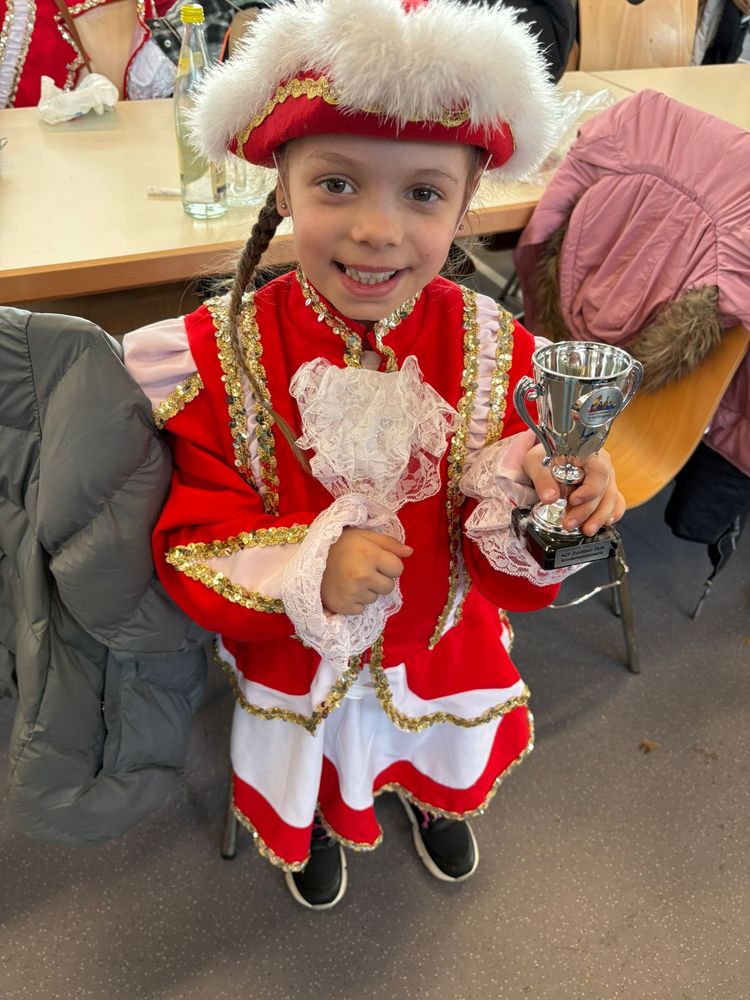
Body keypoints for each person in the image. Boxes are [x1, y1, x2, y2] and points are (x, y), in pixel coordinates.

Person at [123, 0, 624, 910]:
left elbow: (513, 497)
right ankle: (314, 815)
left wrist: (552, 492)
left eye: (423, 194)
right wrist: (310, 571)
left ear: (466, 202)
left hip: (436, 643)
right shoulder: (217, 360)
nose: (378, 230)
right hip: (297, 656)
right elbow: (192, 543)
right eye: (337, 185)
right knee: (314, 747)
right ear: (283, 186)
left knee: (428, 735)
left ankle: (427, 795)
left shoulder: (496, 346)